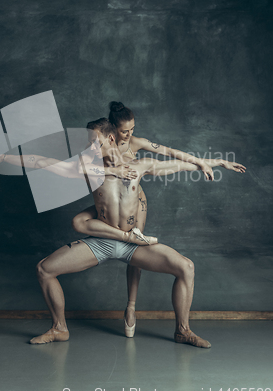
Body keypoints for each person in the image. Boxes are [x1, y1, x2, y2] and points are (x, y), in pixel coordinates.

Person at [25, 118, 245, 347]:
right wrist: (1, 158)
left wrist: (217, 162)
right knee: (44, 269)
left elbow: (179, 164)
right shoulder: (90, 168)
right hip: (101, 241)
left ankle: (183, 330)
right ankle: (59, 328)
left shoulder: (140, 166)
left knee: (186, 267)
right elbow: (42, 161)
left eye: (93, 142)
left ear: (110, 138)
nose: (89, 148)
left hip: (134, 245)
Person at [71, 102, 218, 336]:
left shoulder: (135, 148)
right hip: (109, 208)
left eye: (132, 129)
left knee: (139, 251)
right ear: (111, 132)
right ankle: (123, 238)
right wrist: (112, 171)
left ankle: (134, 307)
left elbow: (169, 156)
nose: (129, 135)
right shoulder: (94, 154)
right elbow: (70, 168)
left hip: (133, 200)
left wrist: (206, 162)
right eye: (124, 131)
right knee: (79, 221)